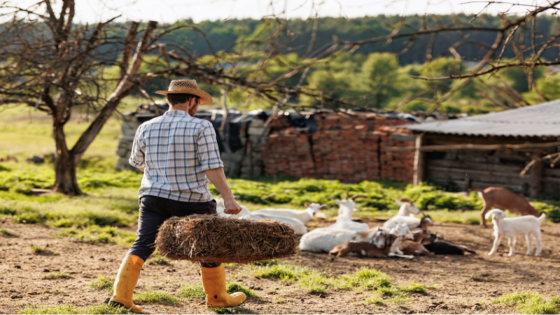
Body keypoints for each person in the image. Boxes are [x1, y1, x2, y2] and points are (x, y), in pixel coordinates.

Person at [107, 79, 246, 312]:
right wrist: (228, 198)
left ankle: (121, 297)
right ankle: (217, 298)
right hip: (192, 200)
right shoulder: (201, 127)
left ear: (168, 99)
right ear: (192, 101)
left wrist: (163, 172)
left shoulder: (146, 126)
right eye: (197, 102)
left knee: (142, 243)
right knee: (209, 246)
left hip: (153, 198)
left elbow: (137, 162)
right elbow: (212, 166)